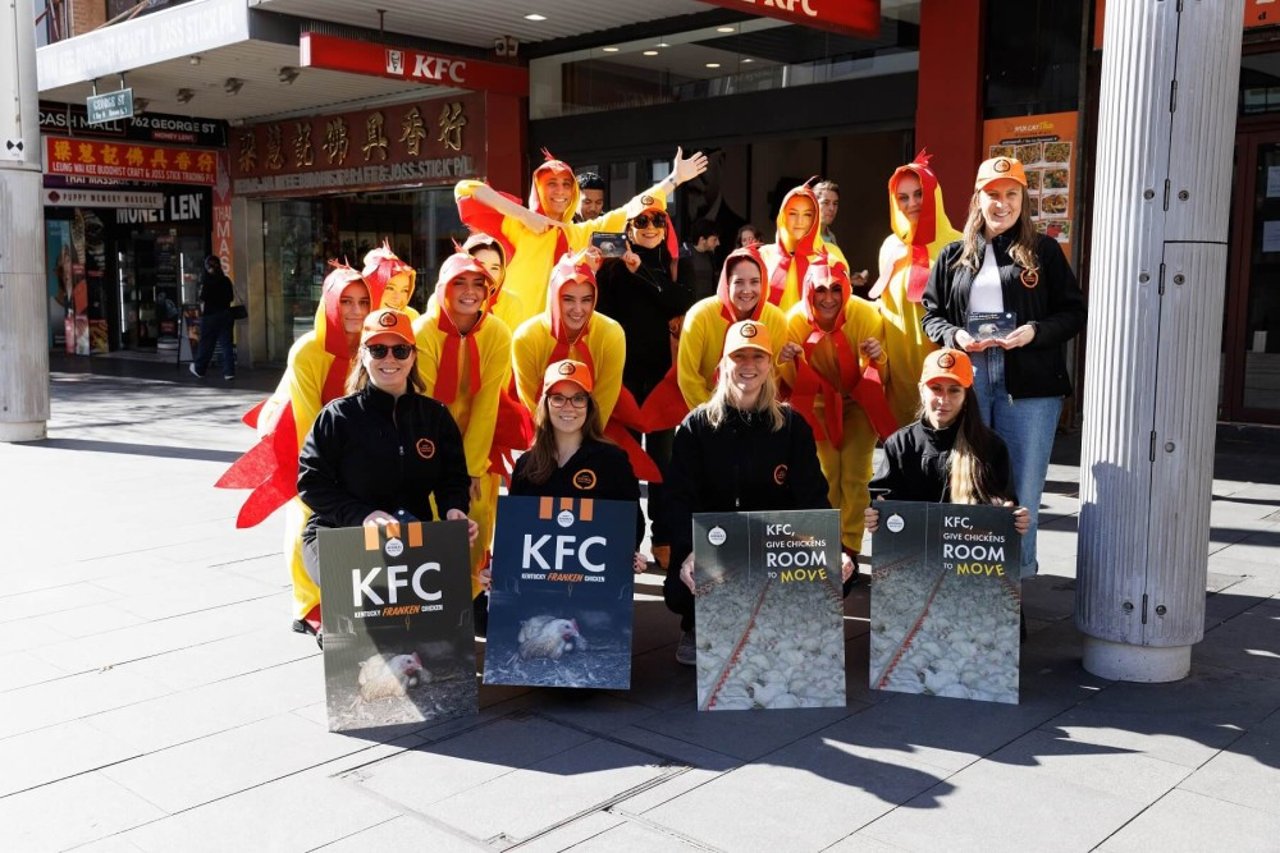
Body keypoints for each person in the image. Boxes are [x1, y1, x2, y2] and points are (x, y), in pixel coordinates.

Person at [921, 156, 1086, 578]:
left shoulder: (1043, 252)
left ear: (1022, 199)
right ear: (978, 198)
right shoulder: (953, 254)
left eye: (1011, 194)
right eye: (993, 194)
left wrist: (1034, 331)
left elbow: (1072, 313)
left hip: (1028, 384)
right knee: (966, 483)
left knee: (1022, 491)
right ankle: (968, 578)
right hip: (969, 380)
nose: (1001, 204)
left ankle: (1015, 586)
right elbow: (931, 314)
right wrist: (955, 336)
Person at [663, 320, 854, 665]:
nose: (748, 365)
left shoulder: (792, 425)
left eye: (758, 357)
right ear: (723, 363)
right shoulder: (696, 426)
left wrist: (833, 550)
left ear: (769, 365)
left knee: (840, 577)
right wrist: (689, 552)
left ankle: (781, 619)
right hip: (717, 547)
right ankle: (696, 625)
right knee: (680, 587)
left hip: (773, 547)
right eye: (739, 356)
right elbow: (678, 499)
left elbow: (812, 496)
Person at [216, 262, 377, 639]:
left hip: (355, 448)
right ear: (330, 303)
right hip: (305, 443)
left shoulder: (373, 343)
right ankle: (309, 607)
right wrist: (324, 471)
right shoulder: (308, 350)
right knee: (307, 518)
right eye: (346, 302)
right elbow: (306, 418)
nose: (355, 310)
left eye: (363, 301)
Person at [296, 309, 478, 643]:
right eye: (377, 350)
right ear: (362, 356)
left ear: (413, 356)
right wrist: (362, 516)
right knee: (366, 640)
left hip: (408, 534)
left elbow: (453, 478)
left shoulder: (434, 416)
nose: (389, 359)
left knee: (423, 645)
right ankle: (345, 630)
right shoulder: (337, 416)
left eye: (399, 350)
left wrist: (455, 509)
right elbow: (311, 483)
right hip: (341, 535)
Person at [455, 147, 707, 331]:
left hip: (555, 340)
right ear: (538, 188)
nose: (560, 191)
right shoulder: (514, 224)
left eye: (566, 184)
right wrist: (523, 215)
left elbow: (629, 209)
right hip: (507, 334)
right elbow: (466, 190)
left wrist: (675, 179)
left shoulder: (577, 234)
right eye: (551, 183)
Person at [595, 195, 696, 569]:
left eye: (657, 221)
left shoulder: (675, 263)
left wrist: (644, 273)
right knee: (622, 464)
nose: (649, 228)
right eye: (641, 222)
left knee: (663, 464)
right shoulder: (610, 267)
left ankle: (665, 537)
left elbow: (683, 300)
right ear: (628, 228)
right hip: (621, 380)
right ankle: (626, 539)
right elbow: (598, 314)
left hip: (662, 381)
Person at [413, 252, 512, 632]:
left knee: (478, 519)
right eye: (460, 283)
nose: (470, 292)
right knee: (435, 521)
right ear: (443, 287)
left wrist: (470, 468)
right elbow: (425, 407)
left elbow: (487, 403)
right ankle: (438, 603)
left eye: (478, 284)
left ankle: (473, 599)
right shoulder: (424, 332)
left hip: (477, 444)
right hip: (429, 445)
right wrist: (446, 471)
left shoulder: (498, 333)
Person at [864, 348, 1030, 566]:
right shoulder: (900, 444)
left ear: (966, 396)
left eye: (954, 390)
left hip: (967, 561)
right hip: (913, 557)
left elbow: (1003, 504)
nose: (944, 400)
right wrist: (875, 515)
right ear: (921, 391)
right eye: (936, 389)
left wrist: (1014, 517)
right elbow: (883, 500)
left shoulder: (991, 446)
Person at [780, 256, 892, 574]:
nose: (828, 298)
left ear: (846, 290)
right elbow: (791, 383)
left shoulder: (866, 315)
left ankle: (850, 547)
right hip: (817, 405)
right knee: (826, 475)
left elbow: (878, 378)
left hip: (857, 403)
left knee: (855, 476)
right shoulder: (794, 321)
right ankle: (825, 543)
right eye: (820, 290)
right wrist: (787, 361)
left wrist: (877, 358)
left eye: (836, 289)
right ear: (808, 292)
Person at [510, 359, 648, 573]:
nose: (568, 407)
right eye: (558, 398)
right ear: (545, 404)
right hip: (537, 588)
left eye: (578, 399)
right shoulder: (527, 464)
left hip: (594, 587)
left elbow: (631, 522)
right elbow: (515, 531)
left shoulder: (613, 461)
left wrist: (631, 554)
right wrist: (497, 570)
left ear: (589, 405)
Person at [869, 150, 964, 426]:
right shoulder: (889, 246)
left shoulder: (960, 247)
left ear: (934, 194)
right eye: (903, 197)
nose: (912, 203)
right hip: (898, 377)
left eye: (919, 194)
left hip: (944, 379)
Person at [676, 246, 789, 415]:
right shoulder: (699, 316)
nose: (747, 290)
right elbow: (688, 377)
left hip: (759, 415)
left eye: (754, 282)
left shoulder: (776, 318)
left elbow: (776, 376)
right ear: (726, 283)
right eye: (738, 282)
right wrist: (714, 416)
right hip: (709, 414)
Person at [758, 183, 847, 312]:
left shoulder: (832, 254)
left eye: (807, 215)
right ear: (783, 217)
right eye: (793, 214)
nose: (800, 221)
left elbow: (843, 305)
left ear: (815, 218)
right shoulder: (763, 255)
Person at [190, 255, 237, 380]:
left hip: (211, 316)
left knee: (206, 343)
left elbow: (203, 297)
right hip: (226, 315)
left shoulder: (208, 281)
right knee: (226, 344)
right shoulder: (226, 280)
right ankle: (229, 372)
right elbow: (231, 297)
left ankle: (199, 369)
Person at [362, 240, 419, 319]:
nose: (398, 298)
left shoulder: (412, 318)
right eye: (390, 288)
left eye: (405, 290)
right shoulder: (355, 320)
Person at [684, 219, 720, 301]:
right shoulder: (683, 256)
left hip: (708, 307)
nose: (718, 243)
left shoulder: (712, 257)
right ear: (702, 239)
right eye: (714, 239)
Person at [814, 179, 840, 247]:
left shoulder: (832, 237)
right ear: (814, 204)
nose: (832, 208)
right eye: (826, 203)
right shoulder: (802, 235)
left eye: (835, 203)